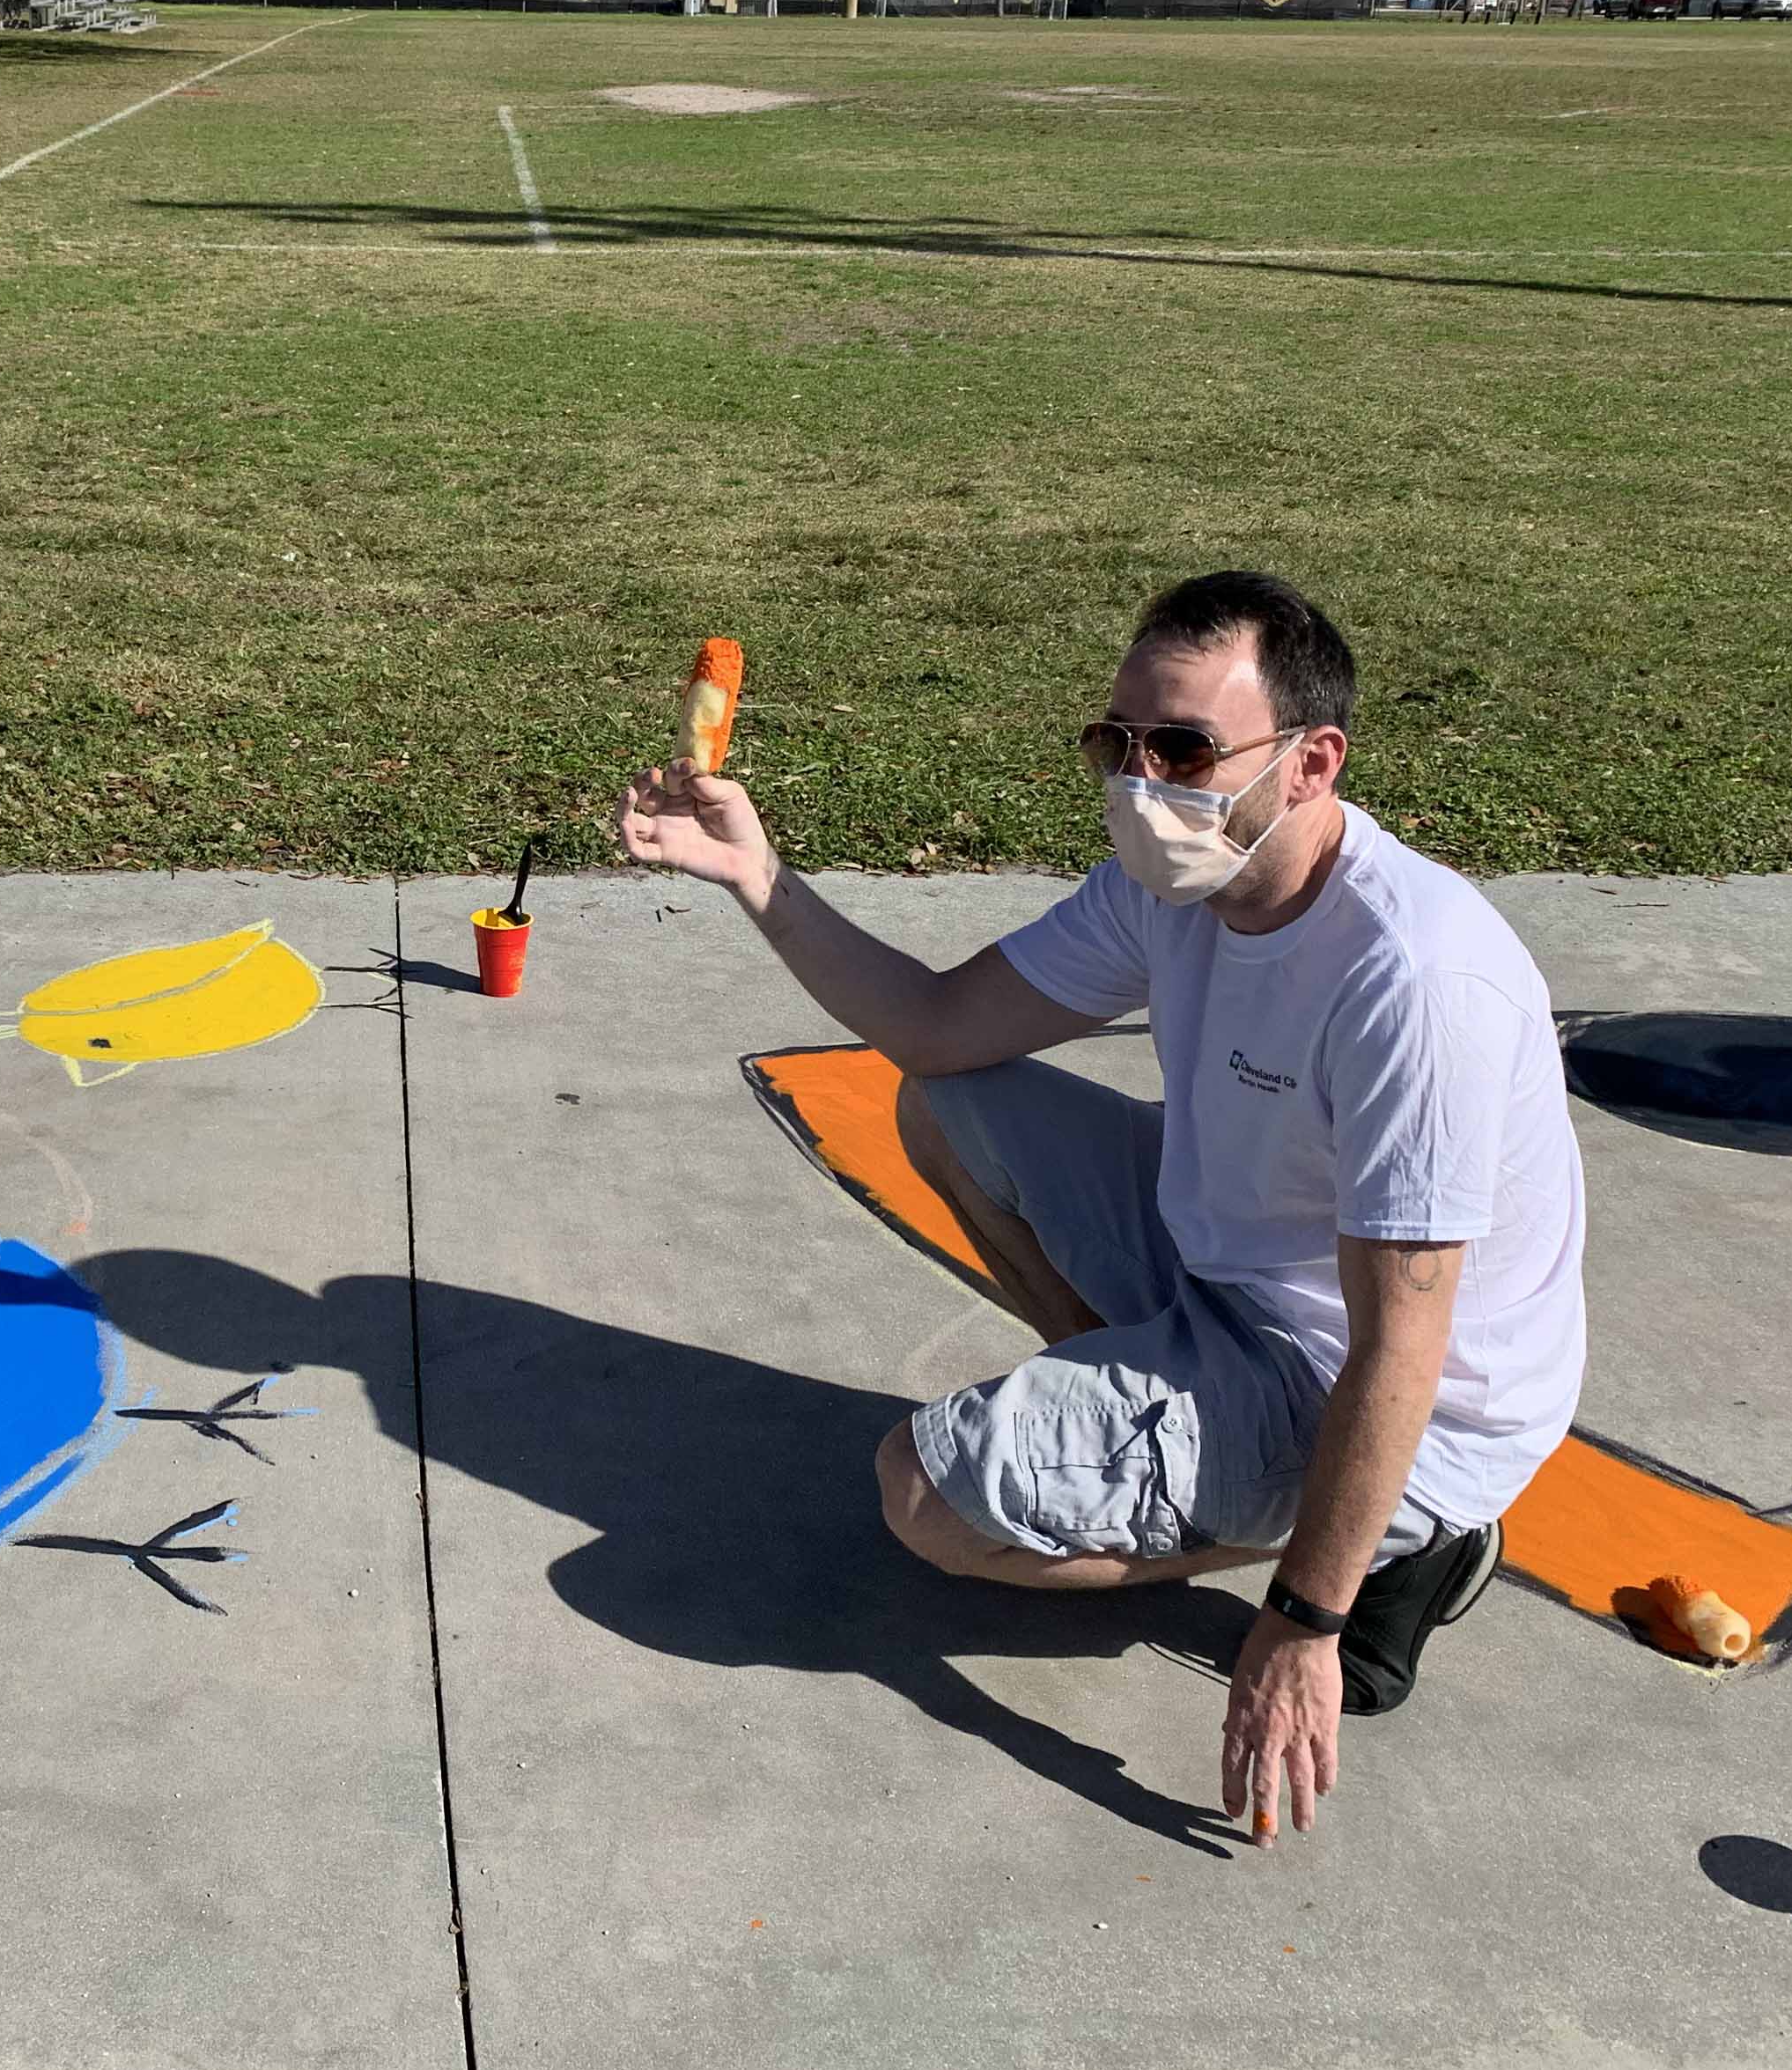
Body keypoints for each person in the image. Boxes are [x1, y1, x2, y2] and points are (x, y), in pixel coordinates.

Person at [621, 571, 1584, 1842]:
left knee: (926, 1497)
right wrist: (759, 877)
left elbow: (1404, 1346)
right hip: (1232, 1275)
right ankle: (1157, 1431)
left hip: (1391, 1387)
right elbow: (939, 1025)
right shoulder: (1175, 885)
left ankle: (1407, 1541)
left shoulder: (1414, 980)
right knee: (946, 1100)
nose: (1142, 784)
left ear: (1311, 763)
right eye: (1116, 744)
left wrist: (1303, 1623)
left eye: (1185, 750)